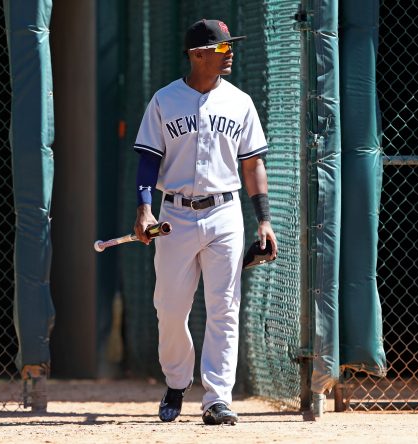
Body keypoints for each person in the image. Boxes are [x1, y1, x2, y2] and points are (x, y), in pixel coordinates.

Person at [132, 18, 278, 426]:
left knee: (224, 309)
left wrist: (263, 221)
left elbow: (253, 164)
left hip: (225, 212)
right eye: (221, 46)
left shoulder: (240, 102)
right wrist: (145, 208)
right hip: (175, 213)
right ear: (197, 54)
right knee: (170, 309)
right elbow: (149, 158)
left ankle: (217, 398)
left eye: (230, 45)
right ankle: (177, 381)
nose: (230, 51)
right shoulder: (164, 100)